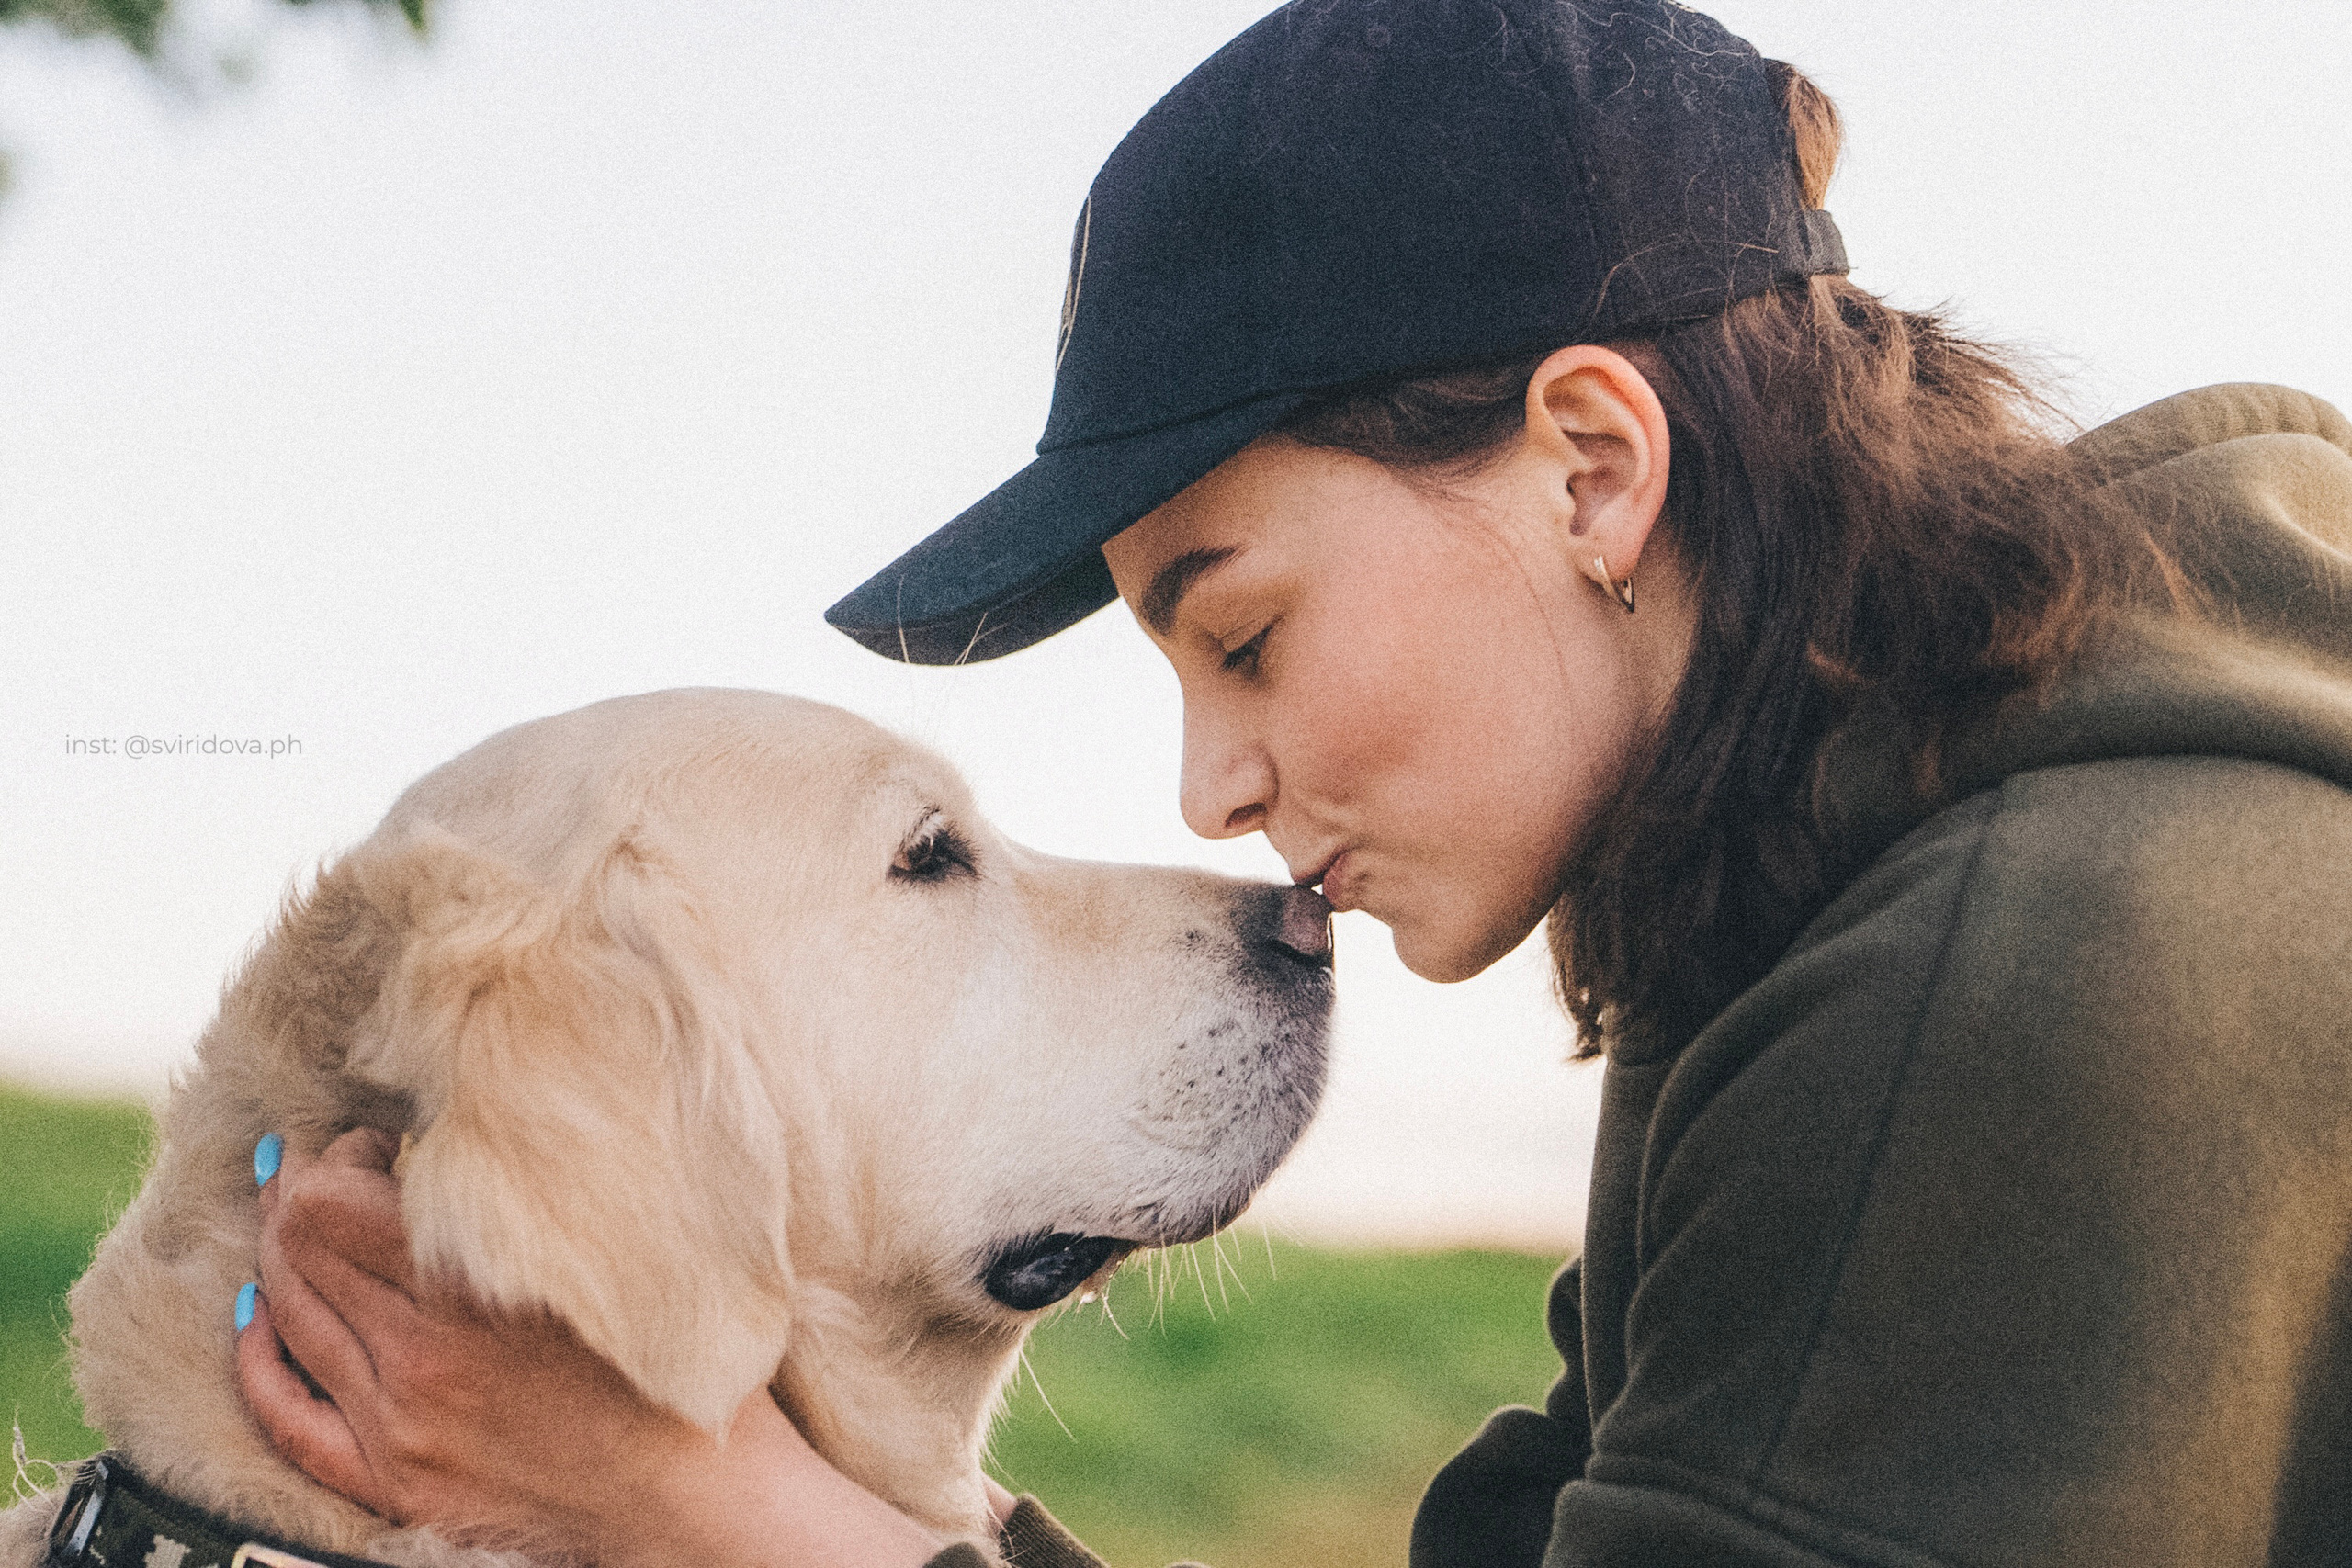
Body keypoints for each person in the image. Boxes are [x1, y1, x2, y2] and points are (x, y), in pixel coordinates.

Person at [236, 2, 2352, 1564]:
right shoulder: (1835, 878)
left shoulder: (2020, 980)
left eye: (1238, 632)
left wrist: (688, 1497)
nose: (1212, 784)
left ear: (1589, 466)